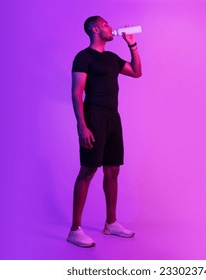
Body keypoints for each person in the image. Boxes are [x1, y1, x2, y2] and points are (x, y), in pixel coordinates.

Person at [68, 16, 142, 248]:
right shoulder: (83, 57)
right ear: (95, 29)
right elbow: (76, 92)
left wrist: (132, 44)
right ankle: (74, 230)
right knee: (88, 170)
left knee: (112, 171)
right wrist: (82, 125)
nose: (112, 28)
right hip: (94, 117)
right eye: (107, 25)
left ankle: (111, 223)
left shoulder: (111, 58)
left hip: (113, 118)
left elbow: (137, 72)